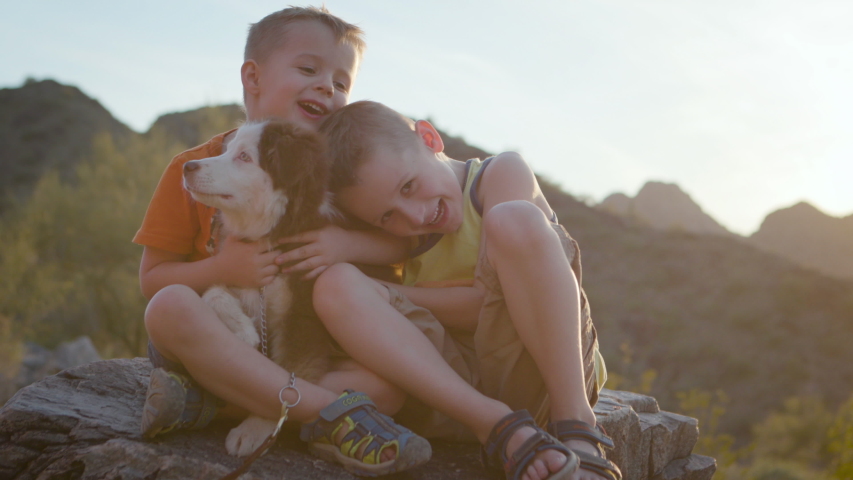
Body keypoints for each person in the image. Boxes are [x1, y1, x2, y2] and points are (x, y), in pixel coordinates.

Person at [133, 7, 431, 476]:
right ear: (253, 76)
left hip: (304, 357)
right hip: (215, 349)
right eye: (308, 69)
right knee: (169, 306)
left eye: (341, 82)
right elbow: (153, 279)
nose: (326, 88)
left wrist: (344, 245)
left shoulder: (346, 174)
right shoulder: (195, 168)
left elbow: (402, 244)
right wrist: (220, 271)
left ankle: (207, 408)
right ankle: (335, 419)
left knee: (386, 387)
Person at [297, 100, 621, 480]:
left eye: (409, 186)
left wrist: (387, 294)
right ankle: (497, 425)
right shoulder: (406, 238)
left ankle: (578, 426)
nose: (415, 216)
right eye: (388, 217)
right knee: (335, 286)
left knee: (512, 219)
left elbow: (486, 305)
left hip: (544, 377)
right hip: (458, 398)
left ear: (429, 138)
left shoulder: (499, 177)